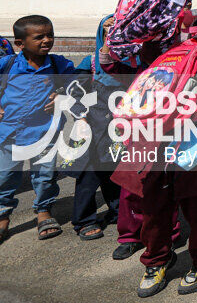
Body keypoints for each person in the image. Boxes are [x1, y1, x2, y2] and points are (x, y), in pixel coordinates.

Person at [111, 21, 197, 297]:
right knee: (153, 206)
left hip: (194, 137)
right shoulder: (155, 41)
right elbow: (130, 75)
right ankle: (156, 260)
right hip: (152, 137)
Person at [0, 15, 75, 248]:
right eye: (39, 37)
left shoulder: (58, 64)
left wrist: (62, 96)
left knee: (45, 176)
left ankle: (44, 211)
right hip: (8, 134)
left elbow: (76, 83)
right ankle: (1, 219)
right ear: (20, 43)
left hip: (45, 133)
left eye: (50, 35)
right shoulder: (7, 65)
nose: (47, 40)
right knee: (4, 178)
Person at [67, 15, 124, 241]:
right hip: (90, 128)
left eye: (117, 27)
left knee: (115, 172)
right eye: (107, 27)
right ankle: (84, 220)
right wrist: (80, 119)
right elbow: (74, 94)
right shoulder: (90, 63)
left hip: (118, 130)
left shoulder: (130, 63)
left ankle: (117, 212)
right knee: (88, 176)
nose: (112, 31)